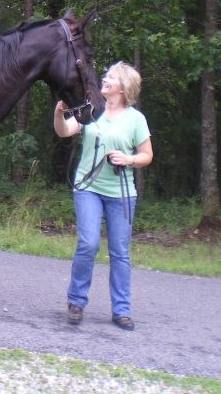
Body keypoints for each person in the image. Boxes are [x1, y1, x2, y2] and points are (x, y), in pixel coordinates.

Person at [53, 61, 153, 331]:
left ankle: (121, 310)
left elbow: (147, 155)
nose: (104, 79)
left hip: (121, 194)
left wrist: (129, 159)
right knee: (88, 243)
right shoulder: (90, 110)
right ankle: (76, 302)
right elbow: (64, 131)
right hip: (88, 188)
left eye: (110, 77)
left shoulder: (136, 119)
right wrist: (59, 114)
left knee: (120, 252)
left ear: (123, 87)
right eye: (106, 76)